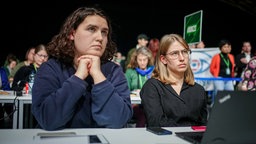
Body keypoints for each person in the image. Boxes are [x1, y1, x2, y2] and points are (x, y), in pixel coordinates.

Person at [31, 7, 133, 130]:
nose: (100, 38)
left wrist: (98, 75)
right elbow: (48, 119)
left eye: (104, 32)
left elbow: (119, 120)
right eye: (91, 29)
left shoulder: (113, 71)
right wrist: (78, 78)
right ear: (72, 34)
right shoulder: (50, 68)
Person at [140, 34, 208, 127]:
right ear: (163, 59)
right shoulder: (152, 87)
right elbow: (157, 122)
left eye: (184, 52)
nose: (182, 58)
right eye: (175, 53)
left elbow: (204, 126)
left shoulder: (199, 90)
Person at [11, 44, 48, 128]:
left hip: (43, 107)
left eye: (45, 56)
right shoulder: (24, 70)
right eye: (40, 55)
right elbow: (13, 86)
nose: (42, 58)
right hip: (26, 107)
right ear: (34, 56)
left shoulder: (49, 72)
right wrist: (23, 88)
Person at [125, 46, 154, 127]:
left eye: (144, 60)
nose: (142, 62)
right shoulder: (130, 72)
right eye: (139, 60)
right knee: (142, 114)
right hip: (134, 103)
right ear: (135, 60)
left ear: (148, 59)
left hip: (150, 103)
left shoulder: (153, 72)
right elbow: (126, 89)